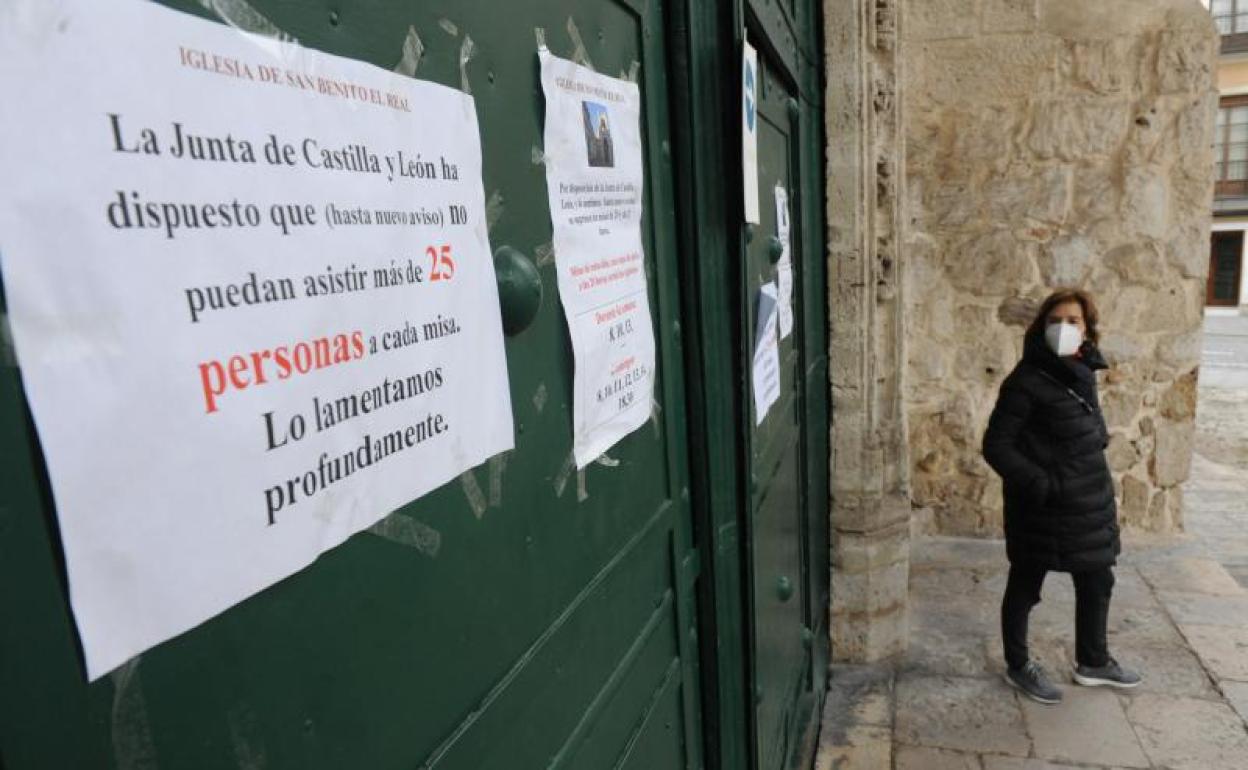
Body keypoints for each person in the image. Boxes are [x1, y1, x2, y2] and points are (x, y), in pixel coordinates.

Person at [982, 288, 1142, 704]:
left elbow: (1085, 427)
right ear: (1041, 326)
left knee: (1098, 579)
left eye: (1073, 321)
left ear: (1087, 329)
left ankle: (1094, 661)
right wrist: (1041, 484)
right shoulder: (1025, 380)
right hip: (1043, 508)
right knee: (1026, 585)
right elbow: (997, 445)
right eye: (1055, 321)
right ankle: (1019, 666)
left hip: (1087, 503)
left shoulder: (1082, 370)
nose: (1063, 329)